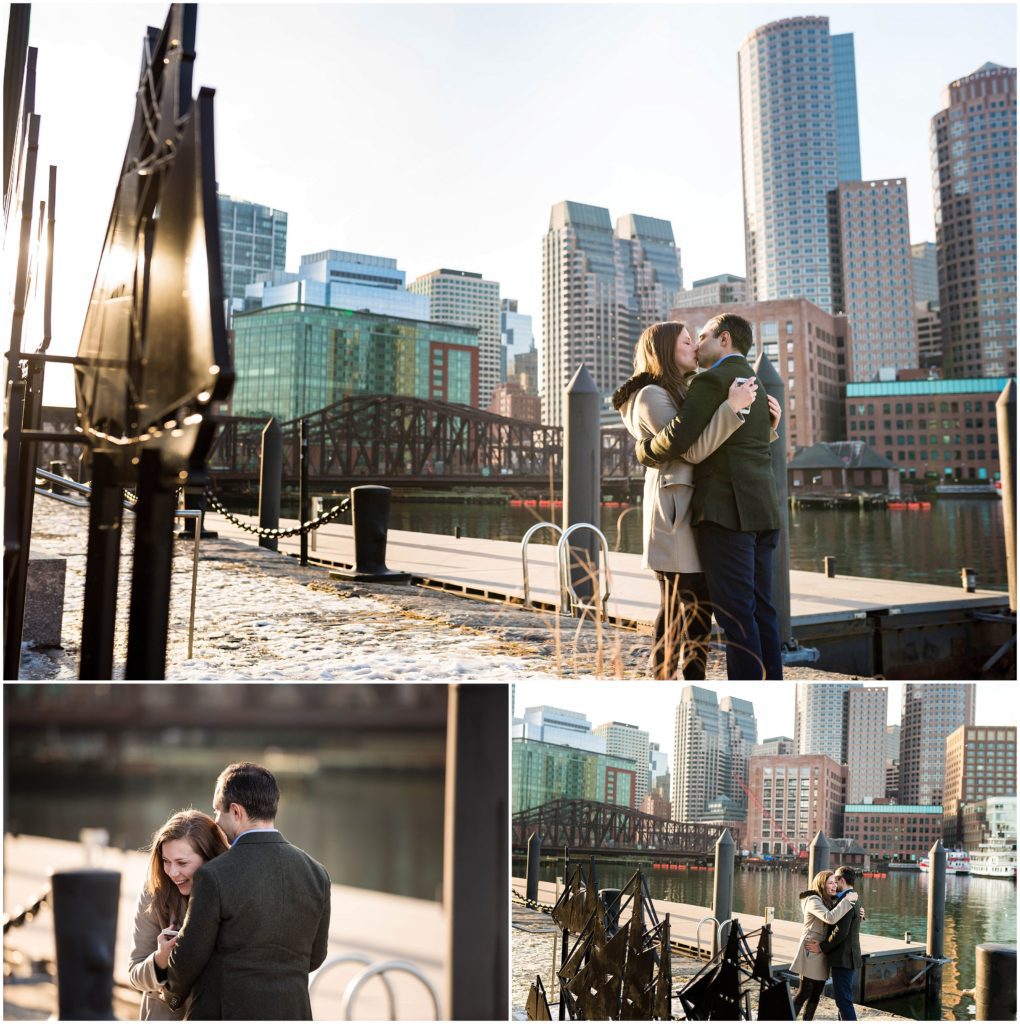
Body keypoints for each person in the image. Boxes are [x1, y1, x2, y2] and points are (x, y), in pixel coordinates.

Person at [612, 320, 768, 678]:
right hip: (674, 512)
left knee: (698, 605)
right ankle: (665, 674)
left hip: (688, 508)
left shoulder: (676, 389)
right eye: (687, 341)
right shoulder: (652, 395)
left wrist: (761, 421)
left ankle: (689, 674)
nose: (695, 347)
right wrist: (731, 408)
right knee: (679, 604)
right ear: (667, 350)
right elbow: (691, 449)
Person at [165, 762, 332, 1020]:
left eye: (217, 811)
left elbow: (189, 957)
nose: (216, 821)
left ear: (236, 811)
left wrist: (171, 993)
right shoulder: (317, 874)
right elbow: (315, 956)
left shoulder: (214, 875)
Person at [128, 810, 230, 1020]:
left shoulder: (232, 891)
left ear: (210, 857)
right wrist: (160, 959)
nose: (172, 872)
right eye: (166, 861)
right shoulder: (153, 893)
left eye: (182, 863)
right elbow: (134, 974)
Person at [789, 869, 859, 1020]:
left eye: (835, 882)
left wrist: (858, 911)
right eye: (830, 883)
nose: (834, 886)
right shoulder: (813, 900)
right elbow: (830, 918)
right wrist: (850, 900)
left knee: (817, 991)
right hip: (811, 948)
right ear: (822, 884)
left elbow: (842, 914)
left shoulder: (830, 900)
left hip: (822, 950)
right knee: (805, 991)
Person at [809, 865, 864, 1020]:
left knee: (844, 1001)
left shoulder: (848, 901)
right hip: (847, 957)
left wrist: (821, 947)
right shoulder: (850, 898)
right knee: (843, 1000)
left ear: (842, 880)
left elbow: (840, 932)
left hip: (844, 958)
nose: (833, 883)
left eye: (835, 880)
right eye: (830, 881)